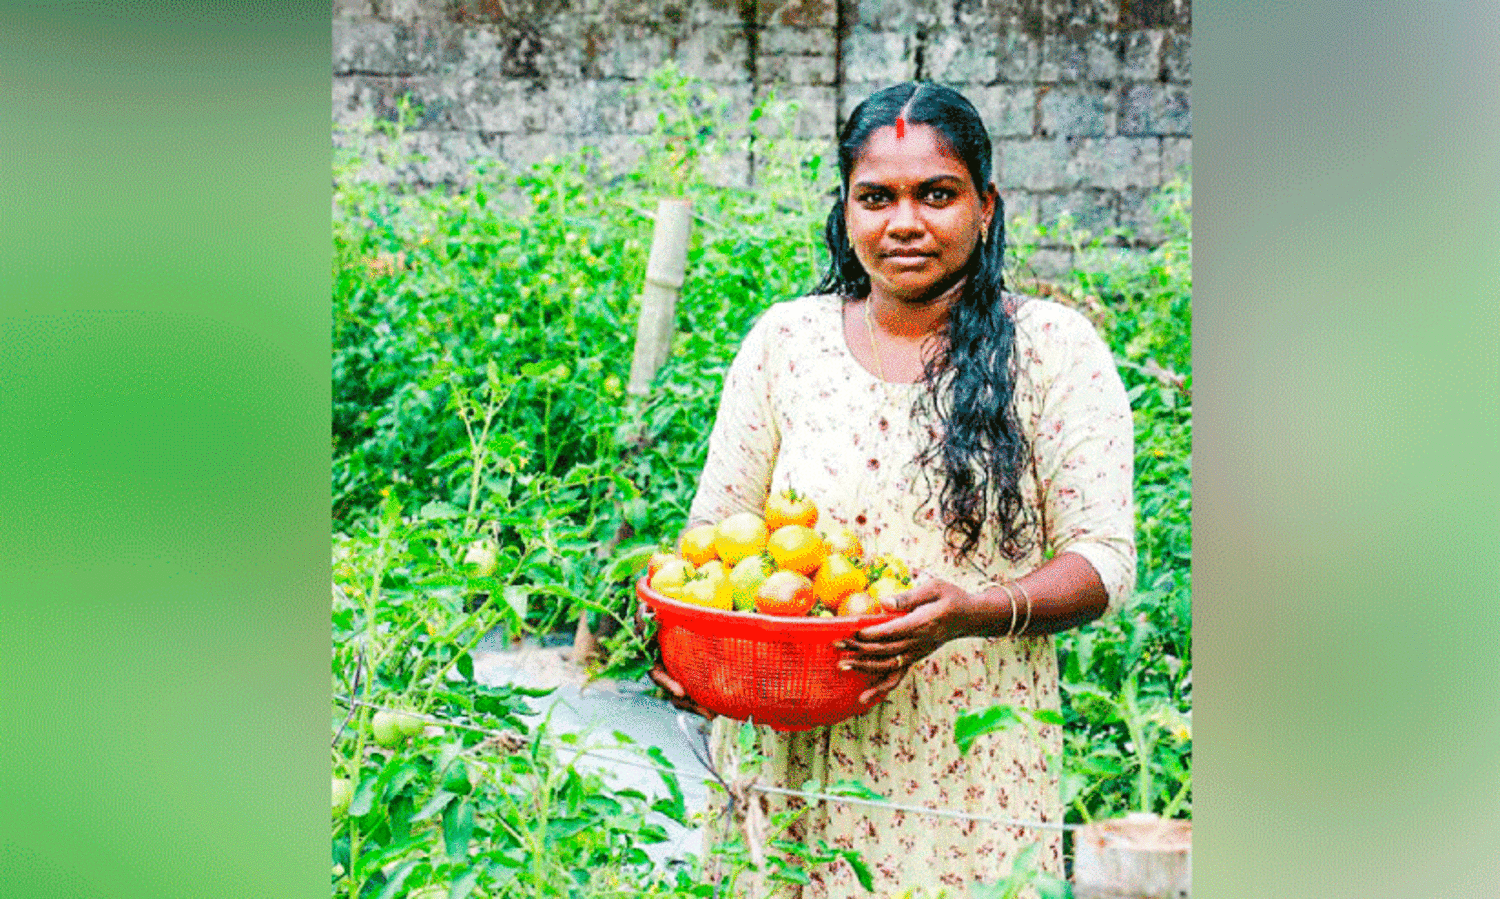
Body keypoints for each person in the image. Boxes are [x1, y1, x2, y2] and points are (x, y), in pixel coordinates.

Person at [647, 81, 1137, 897]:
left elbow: (1105, 560)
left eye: (936, 195)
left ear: (986, 207)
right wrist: (678, 644)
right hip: (789, 759)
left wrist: (973, 612)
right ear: (845, 211)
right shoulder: (786, 343)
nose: (903, 222)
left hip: (967, 764)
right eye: (875, 197)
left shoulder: (1053, 350)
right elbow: (710, 542)